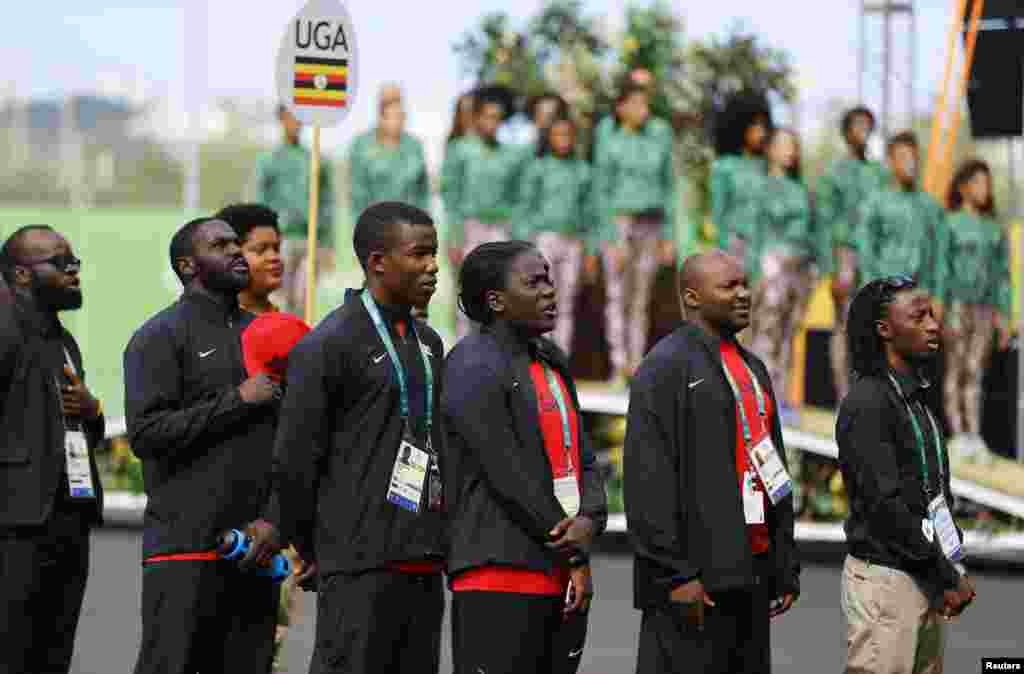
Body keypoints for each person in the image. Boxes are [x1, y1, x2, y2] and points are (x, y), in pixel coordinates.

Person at [272, 201, 447, 674]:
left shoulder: (428, 343)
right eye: (420, 254)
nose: (433, 266)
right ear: (377, 262)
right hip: (357, 562)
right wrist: (309, 545)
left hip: (423, 559)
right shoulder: (329, 344)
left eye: (434, 254)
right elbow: (296, 456)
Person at [624, 250, 800, 674]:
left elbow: (773, 468)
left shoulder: (753, 367)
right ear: (693, 297)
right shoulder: (665, 366)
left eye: (745, 283)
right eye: (729, 286)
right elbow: (648, 481)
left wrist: (783, 564)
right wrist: (676, 576)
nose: (744, 294)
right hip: (692, 586)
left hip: (750, 579)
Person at [125, 217, 285, 674]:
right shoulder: (158, 336)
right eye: (221, 244)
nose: (237, 251)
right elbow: (147, 434)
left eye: (238, 242)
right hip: (185, 551)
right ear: (187, 265)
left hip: (254, 550)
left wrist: (276, 522)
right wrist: (237, 400)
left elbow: (289, 443)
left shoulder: (269, 334)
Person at [443, 241, 608, 674]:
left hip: (561, 572)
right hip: (498, 573)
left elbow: (582, 456)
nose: (549, 291)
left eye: (549, 279)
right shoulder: (471, 363)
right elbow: (506, 472)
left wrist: (591, 519)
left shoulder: (553, 361)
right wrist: (571, 548)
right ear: (496, 301)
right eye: (533, 283)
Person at [837, 276, 977, 674]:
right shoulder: (867, 403)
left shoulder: (915, 399)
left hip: (923, 574)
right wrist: (945, 575)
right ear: (884, 329)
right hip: (888, 580)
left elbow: (930, 497)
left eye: (932, 314)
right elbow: (886, 508)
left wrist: (948, 569)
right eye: (918, 317)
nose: (933, 325)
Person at [0, 225, 105, 674]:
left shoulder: (65, 342)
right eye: (62, 263)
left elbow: (74, 429)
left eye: (75, 262)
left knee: (53, 653)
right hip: (15, 525)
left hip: (68, 520)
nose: (74, 271)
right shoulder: (4, 334)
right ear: (22, 275)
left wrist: (92, 411)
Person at [592, 81, 676, 382]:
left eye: (645, 104)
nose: (643, 110)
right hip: (619, 223)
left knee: (641, 298)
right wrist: (607, 237)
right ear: (621, 107)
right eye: (636, 104)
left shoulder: (659, 134)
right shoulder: (608, 135)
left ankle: (636, 364)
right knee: (617, 295)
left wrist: (670, 235)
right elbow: (600, 189)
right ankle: (618, 364)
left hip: (651, 223)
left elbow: (668, 186)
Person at [816, 105, 889, 401]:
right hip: (844, 253)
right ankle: (843, 394)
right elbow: (824, 219)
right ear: (846, 131)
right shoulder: (834, 171)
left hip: (874, 257)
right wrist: (831, 267)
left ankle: (869, 392)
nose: (864, 130)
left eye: (868, 125)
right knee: (843, 323)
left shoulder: (879, 173)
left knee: (873, 325)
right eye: (858, 125)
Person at [441, 84, 525, 338]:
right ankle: (463, 352)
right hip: (469, 229)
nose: (493, 123)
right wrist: (454, 237)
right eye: (488, 117)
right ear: (476, 117)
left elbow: (516, 197)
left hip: (500, 230)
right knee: (468, 294)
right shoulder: (460, 150)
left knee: (499, 296)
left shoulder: (509, 154)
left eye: (498, 118)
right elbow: (451, 196)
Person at [943, 160, 1013, 457]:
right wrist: (939, 307)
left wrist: (1004, 314)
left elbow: (1003, 276)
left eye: (987, 183)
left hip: (985, 309)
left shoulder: (995, 229)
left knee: (975, 372)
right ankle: (956, 433)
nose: (985, 189)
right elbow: (940, 268)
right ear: (964, 188)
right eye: (979, 183)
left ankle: (974, 434)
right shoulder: (949, 223)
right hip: (957, 305)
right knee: (955, 370)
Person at [747, 128, 815, 423]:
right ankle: (760, 398)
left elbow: (812, 232)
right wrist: (754, 272)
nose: (790, 150)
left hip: (799, 268)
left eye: (794, 145)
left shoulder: (801, 189)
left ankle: (783, 398)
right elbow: (753, 231)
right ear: (770, 150)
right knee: (767, 331)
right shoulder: (760, 187)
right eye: (783, 145)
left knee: (790, 333)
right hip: (770, 265)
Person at [516, 113, 592, 355]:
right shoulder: (538, 168)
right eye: (558, 135)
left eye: (568, 135)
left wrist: (590, 248)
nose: (563, 140)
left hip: (573, 240)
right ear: (548, 138)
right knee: (542, 298)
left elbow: (591, 210)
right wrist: (526, 247)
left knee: (566, 301)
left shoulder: (583, 170)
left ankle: (561, 356)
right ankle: (541, 353)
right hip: (545, 239)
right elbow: (525, 207)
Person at [853, 131, 948, 316]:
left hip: (922, 295)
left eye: (914, 157)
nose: (910, 163)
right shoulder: (874, 204)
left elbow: (940, 257)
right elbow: (866, 254)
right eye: (903, 157)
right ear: (890, 162)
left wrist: (939, 297)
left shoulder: (931, 206)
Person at [256, 104, 337, 316]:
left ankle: (300, 346)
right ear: (281, 118)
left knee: (303, 301)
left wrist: (328, 244)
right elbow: (260, 204)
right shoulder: (269, 160)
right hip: (280, 242)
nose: (296, 122)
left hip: (310, 241)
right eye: (291, 116)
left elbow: (327, 204)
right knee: (277, 299)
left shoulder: (316, 160)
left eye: (299, 117)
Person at [349, 84, 431, 219]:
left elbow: (423, 192)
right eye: (388, 103)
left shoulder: (414, 146)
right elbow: (357, 195)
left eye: (397, 102)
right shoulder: (361, 145)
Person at [710, 92, 773, 264]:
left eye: (764, 125)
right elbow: (718, 215)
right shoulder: (723, 167)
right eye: (754, 125)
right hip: (735, 248)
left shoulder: (770, 164)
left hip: (768, 249)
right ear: (739, 125)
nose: (761, 132)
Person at [216, 203, 284, 315]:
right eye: (260, 250)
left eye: (276, 249)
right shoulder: (209, 324)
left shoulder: (286, 324)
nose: (274, 257)